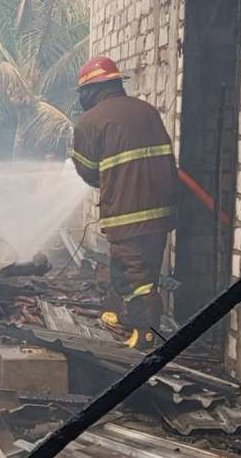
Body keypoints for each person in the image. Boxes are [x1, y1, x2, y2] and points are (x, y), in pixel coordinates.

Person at [70, 56, 178, 350]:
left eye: (83, 93)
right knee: (143, 268)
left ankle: (145, 335)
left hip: (126, 214)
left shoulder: (90, 122)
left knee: (135, 277)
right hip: (162, 210)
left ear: (92, 91)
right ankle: (126, 317)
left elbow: (88, 172)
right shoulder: (147, 111)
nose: (82, 99)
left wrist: (112, 181)